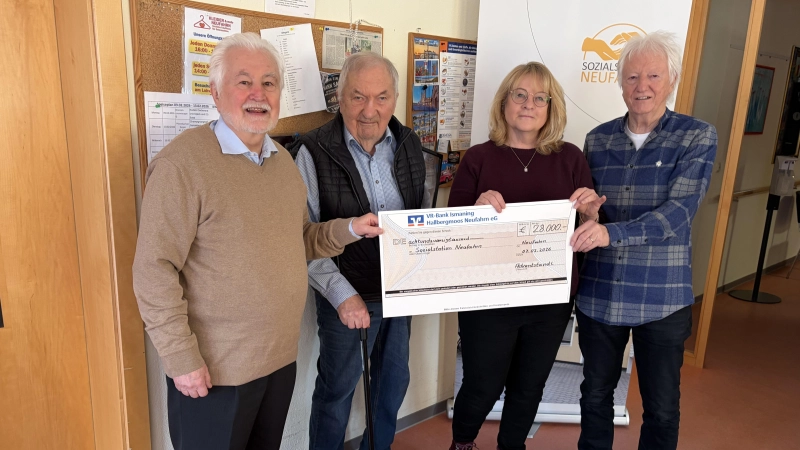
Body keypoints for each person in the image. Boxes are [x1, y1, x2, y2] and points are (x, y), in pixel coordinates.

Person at [132, 33, 382, 450]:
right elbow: (153, 269)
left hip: (277, 362)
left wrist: (350, 228)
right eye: (243, 81)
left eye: (269, 82)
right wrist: (180, 359)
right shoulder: (182, 164)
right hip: (215, 371)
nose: (258, 93)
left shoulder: (282, 161)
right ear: (215, 92)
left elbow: (298, 239)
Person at [570, 31, 717, 450]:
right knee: (594, 396)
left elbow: (677, 214)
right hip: (601, 293)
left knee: (662, 405)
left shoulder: (697, 137)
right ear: (619, 83)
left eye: (653, 75)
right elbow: (590, 210)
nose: (642, 86)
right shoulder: (597, 140)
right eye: (632, 77)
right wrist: (589, 213)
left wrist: (607, 232)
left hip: (663, 297)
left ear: (672, 80)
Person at [447, 62, 604, 450]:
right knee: (482, 383)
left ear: (552, 109)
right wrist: (475, 208)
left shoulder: (570, 158)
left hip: (549, 298)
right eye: (519, 94)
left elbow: (588, 222)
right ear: (504, 103)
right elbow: (451, 229)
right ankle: (463, 443)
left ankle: (511, 445)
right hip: (488, 298)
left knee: (529, 384)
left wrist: (590, 214)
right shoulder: (478, 159)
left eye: (540, 98)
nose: (529, 104)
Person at [291, 52, 430, 450]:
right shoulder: (311, 152)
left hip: (399, 293)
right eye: (358, 97)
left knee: (391, 387)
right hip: (346, 298)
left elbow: (418, 221)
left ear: (395, 98)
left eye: (382, 97)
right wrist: (342, 295)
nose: (370, 110)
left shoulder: (408, 143)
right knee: (337, 392)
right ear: (340, 98)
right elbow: (304, 237)